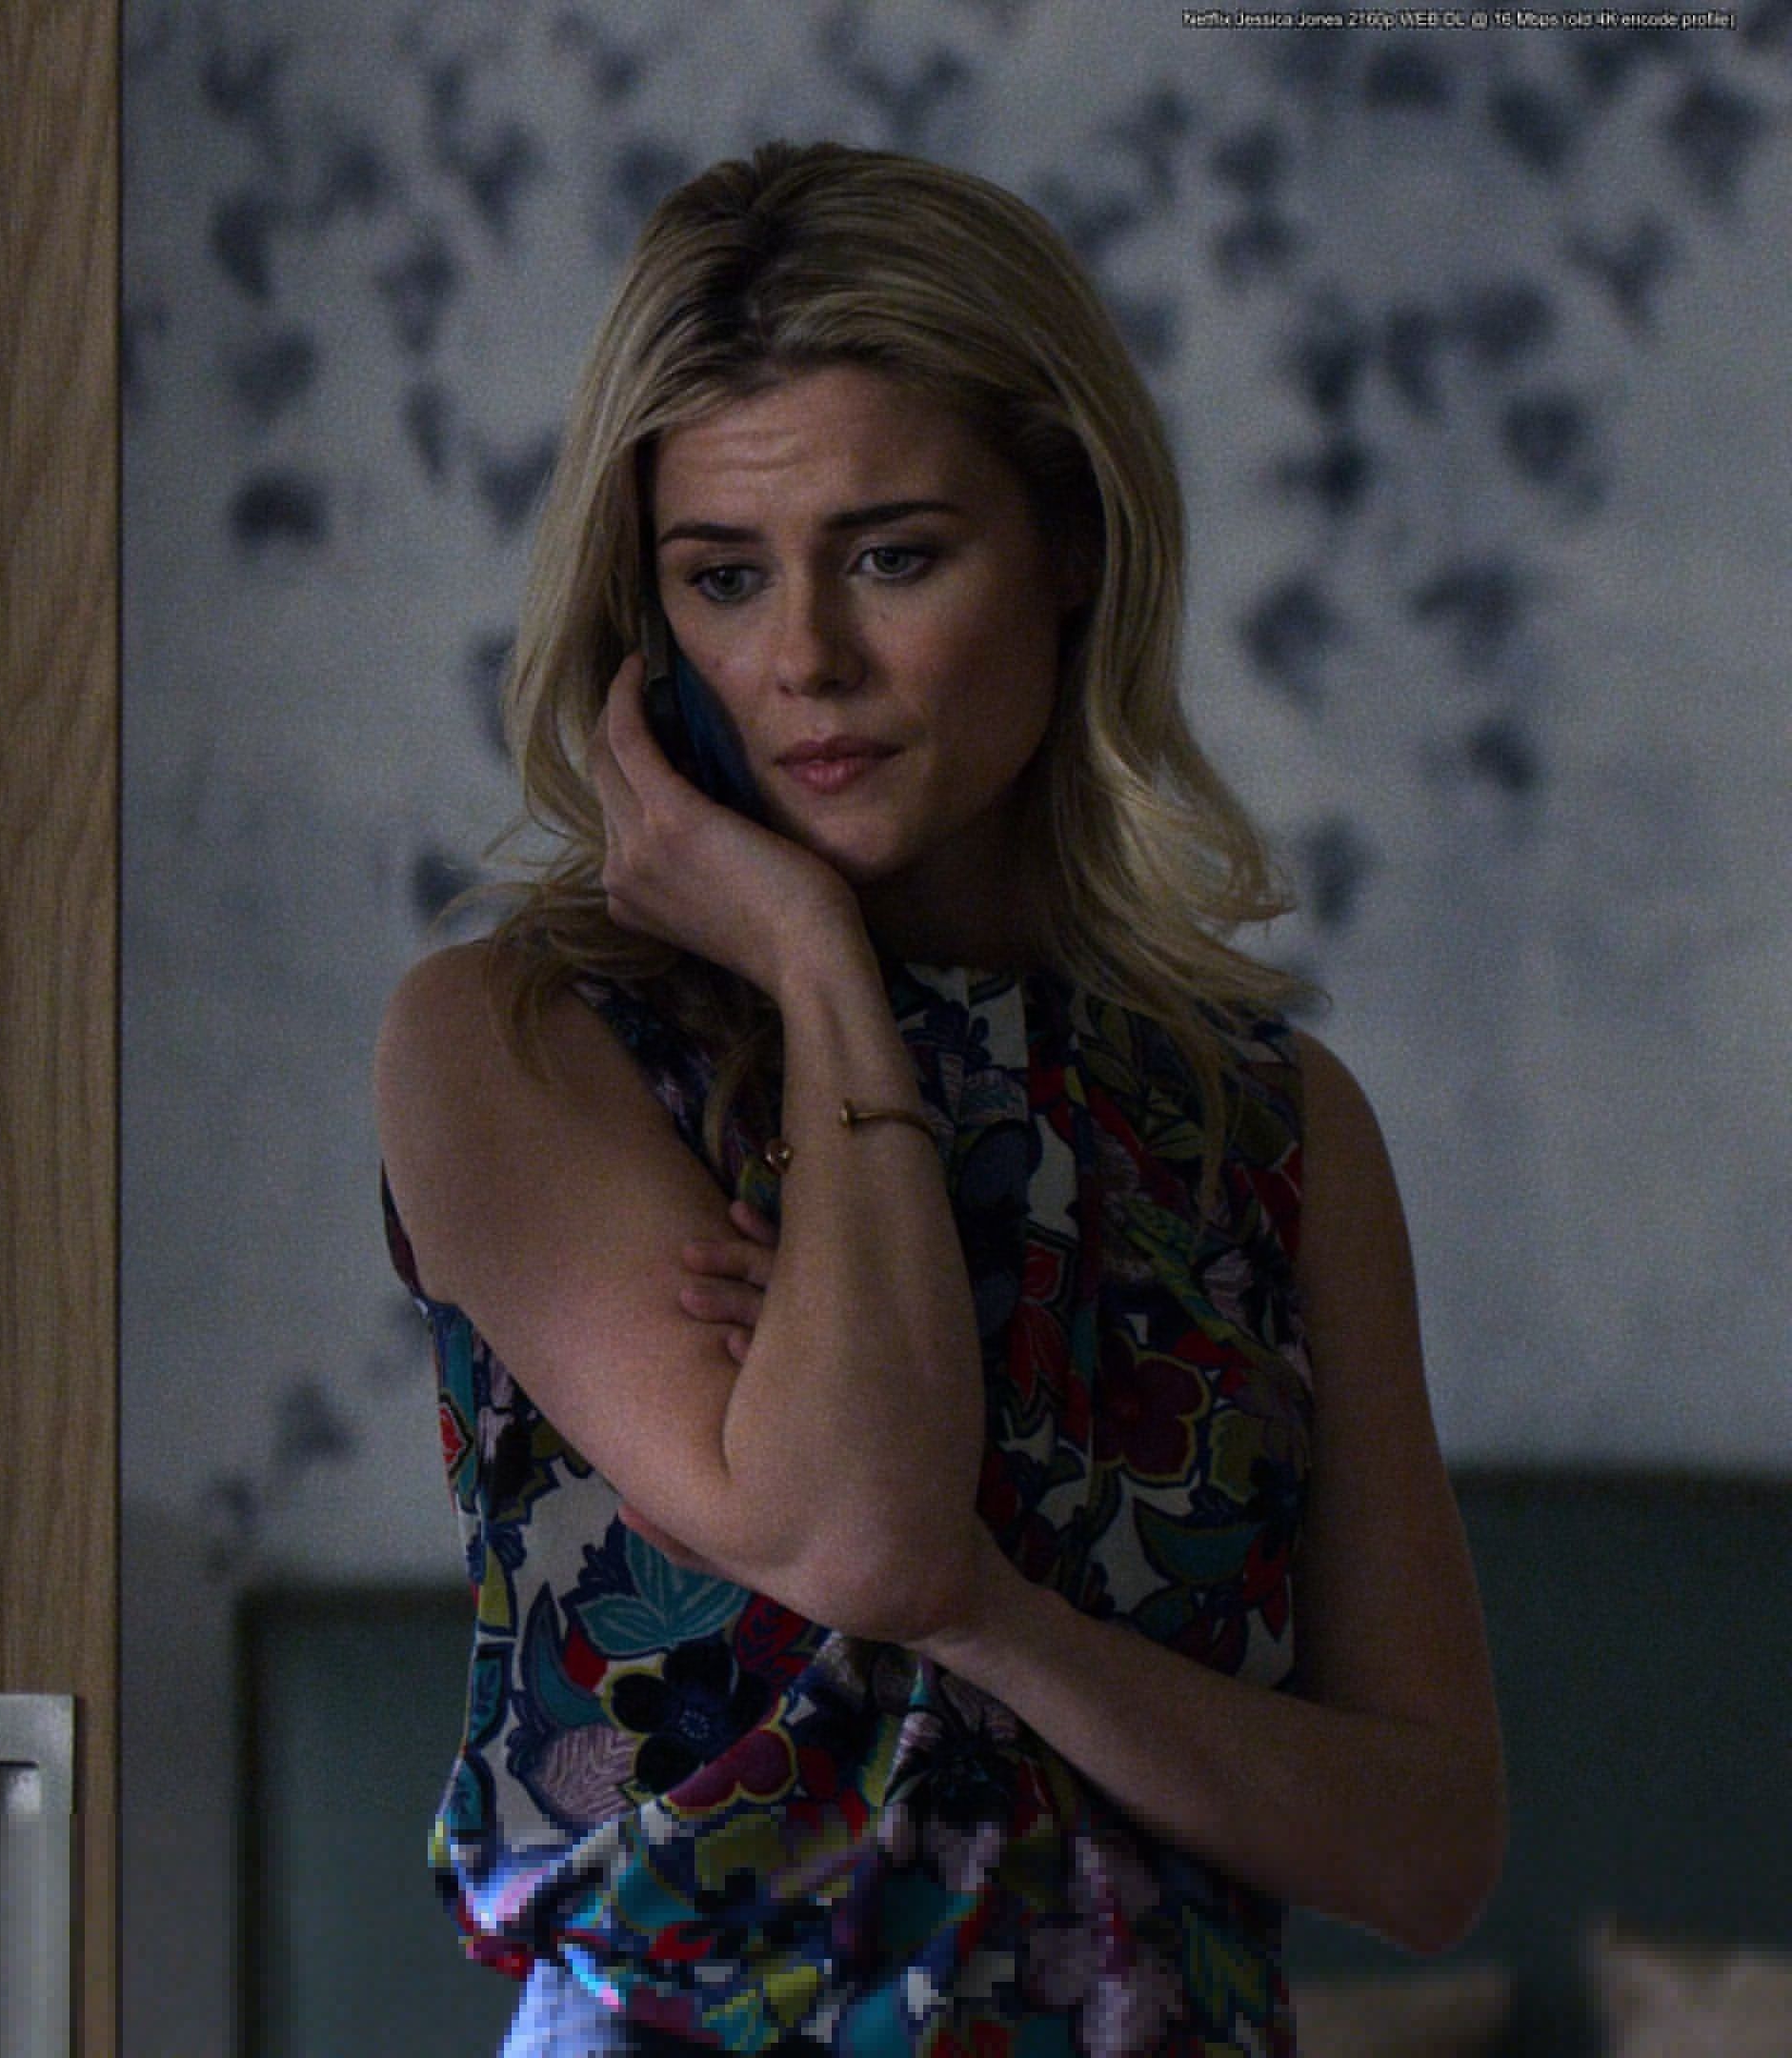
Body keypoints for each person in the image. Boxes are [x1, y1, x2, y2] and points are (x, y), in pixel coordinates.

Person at [369, 141, 1503, 2057]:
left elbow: (1427, 1844)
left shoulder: (1267, 1122)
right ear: (647, 614)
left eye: (894, 556)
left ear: (1070, 546)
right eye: (724, 578)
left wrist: (1006, 1624)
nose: (805, 659)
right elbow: (860, 1536)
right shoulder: (522, 1042)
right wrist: (815, 960)